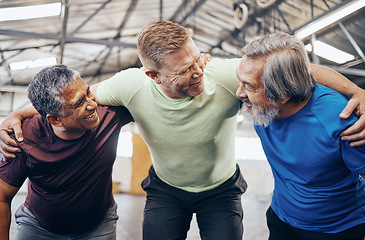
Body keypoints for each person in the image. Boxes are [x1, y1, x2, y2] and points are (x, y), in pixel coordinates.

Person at [1, 21, 365, 240]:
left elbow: (292, 68)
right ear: (153, 76)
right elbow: (74, 99)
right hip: (166, 191)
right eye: (183, 70)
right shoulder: (129, 86)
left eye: (196, 61)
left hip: (220, 191)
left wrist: (356, 90)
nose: (197, 73)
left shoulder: (221, 75)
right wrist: (20, 111)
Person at [236, 33, 365, 240]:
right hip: (281, 220)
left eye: (249, 86)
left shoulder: (342, 120)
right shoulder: (256, 88)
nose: (238, 93)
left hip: (337, 230)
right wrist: (355, 89)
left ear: (281, 94)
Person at [0, 65, 133, 240]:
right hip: (38, 226)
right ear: (55, 119)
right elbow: (2, 195)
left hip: (98, 225)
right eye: (79, 103)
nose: (92, 104)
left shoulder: (110, 116)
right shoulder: (24, 138)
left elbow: (147, 87)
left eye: (88, 93)